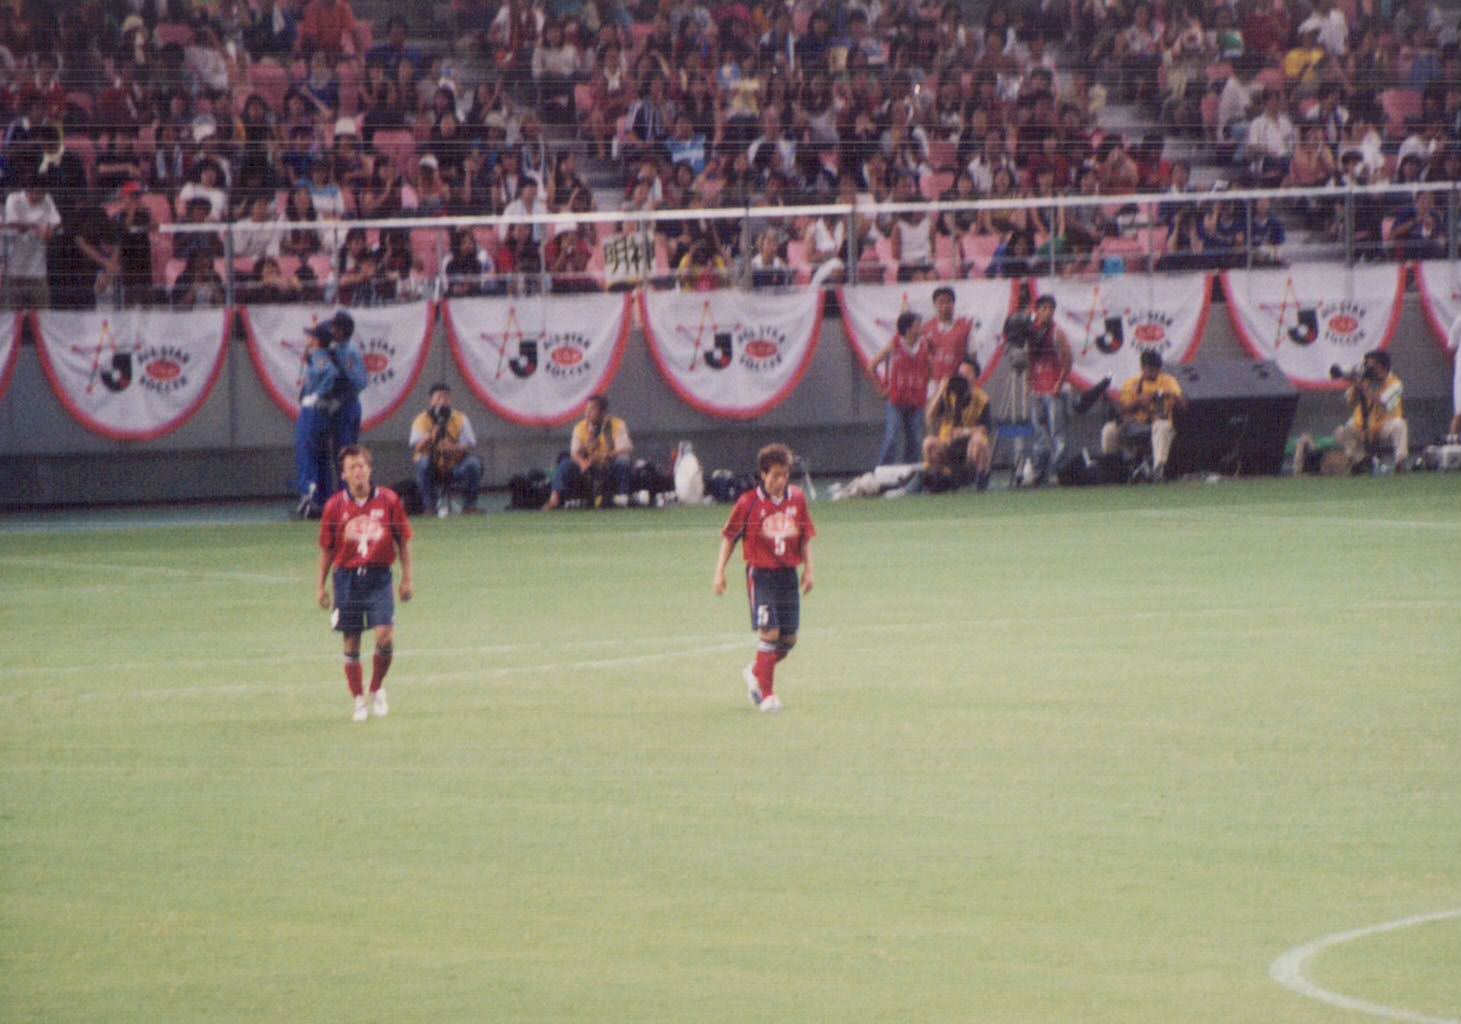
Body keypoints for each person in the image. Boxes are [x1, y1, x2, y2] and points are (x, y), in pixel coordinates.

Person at [711, 443, 816, 713]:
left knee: (789, 640)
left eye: (785, 475)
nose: (780, 482)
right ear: (763, 474)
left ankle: (756, 671)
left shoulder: (797, 499)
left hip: (788, 575)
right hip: (762, 575)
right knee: (769, 633)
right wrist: (720, 571)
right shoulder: (748, 503)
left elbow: (805, 537)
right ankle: (768, 696)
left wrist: (809, 569)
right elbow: (729, 538)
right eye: (775, 476)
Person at [317, 445, 414, 723]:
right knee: (351, 642)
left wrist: (407, 578)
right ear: (344, 475)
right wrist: (320, 586)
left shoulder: (389, 501)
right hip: (347, 579)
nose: (358, 471)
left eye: (362, 466)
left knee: (385, 635)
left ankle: (376, 688)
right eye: (352, 467)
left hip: (379, 576)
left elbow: (403, 540)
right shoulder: (334, 506)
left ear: (370, 469)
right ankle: (358, 699)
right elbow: (327, 548)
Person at [1101, 349, 1188, 481]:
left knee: (1162, 426)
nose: (1153, 373)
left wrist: (1164, 394)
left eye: (1156, 370)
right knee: (1109, 429)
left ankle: (1158, 469)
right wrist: (1139, 401)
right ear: (1142, 368)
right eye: (1150, 369)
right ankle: (1110, 468)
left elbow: (1183, 404)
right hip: (1135, 425)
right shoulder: (1133, 383)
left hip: (1158, 424)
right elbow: (1123, 408)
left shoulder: (1168, 381)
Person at [545, 394, 635, 509]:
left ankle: (622, 499)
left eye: (592, 410)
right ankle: (554, 500)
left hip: (608, 468)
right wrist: (582, 462)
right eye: (586, 410)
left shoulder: (617, 425)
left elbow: (625, 450)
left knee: (623, 462)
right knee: (566, 463)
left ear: (602, 412)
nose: (587, 413)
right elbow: (574, 453)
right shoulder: (580, 427)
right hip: (589, 470)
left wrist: (606, 456)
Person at [409, 384, 485, 515]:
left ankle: (469, 506)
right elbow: (417, 447)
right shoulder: (422, 419)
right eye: (438, 398)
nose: (443, 401)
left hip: (454, 467)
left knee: (474, 463)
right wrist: (431, 435)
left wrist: (452, 448)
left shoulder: (460, 418)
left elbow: (470, 444)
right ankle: (430, 506)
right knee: (422, 463)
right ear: (431, 401)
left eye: (446, 398)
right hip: (433, 469)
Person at [868, 311, 930, 466]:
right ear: (908, 329)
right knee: (892, 437)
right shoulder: (895, 345)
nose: (921, 328)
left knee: (915, 440)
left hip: (916, 398)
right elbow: (871, 367)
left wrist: (923, 384)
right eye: (917, 325)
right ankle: (883, 471)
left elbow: (931, 369)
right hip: (896, 398)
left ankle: (911, 472)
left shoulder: (924, 346)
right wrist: (881, 391)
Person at [923, 358, 994, 491]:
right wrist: (941, 389)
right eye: (960, 374)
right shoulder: (948, 395)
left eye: (967, 374)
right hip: (948, 443)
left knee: (980, 442)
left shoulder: (982, 399)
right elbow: (930, 416)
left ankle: (981, 481)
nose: (963, 377)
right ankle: (936, 480)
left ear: (975, 378)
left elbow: (985, 429)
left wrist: (964, 431)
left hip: (968, 448)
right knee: (929, 443)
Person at [1025, 295, 1075, 485]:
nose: (1048, 312)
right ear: (1037, 311)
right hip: (1037, 389)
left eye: (1051, 308)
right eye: (1044, 308)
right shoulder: (1031, 333)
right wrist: (1028, 385)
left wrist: (1058, 385)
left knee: (1057, 433)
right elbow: (1029, 360)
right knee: (1039, 433)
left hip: (1053, 389)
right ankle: (1039, 471)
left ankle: (1057, 471)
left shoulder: (1057, 332)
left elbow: (1068, 359)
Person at [1333, 349, 1408, 469]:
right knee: (1341, 431)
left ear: (1383, 367)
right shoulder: (1365, 380)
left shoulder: (1395, 383)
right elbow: (1349, 402)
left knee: (1400, 425)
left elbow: (1382, 401)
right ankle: (1361, 461)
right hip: (1362, 424)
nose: (1369, 369)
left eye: (1372, 366)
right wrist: (1355, 384)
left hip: (1383, 424)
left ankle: (1400, 462)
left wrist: (1364, 389)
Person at [295, 322, 340, 517]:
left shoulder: (321, 358)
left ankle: (310, 499)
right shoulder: (317, 357)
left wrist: (317, 395)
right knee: (321, 457)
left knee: (307, 454)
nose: (308, 340)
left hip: (313, 412)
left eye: (311, 337)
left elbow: (331, 374)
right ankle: (324, 500)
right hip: (318, 412)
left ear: (318, 340)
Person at [326, 311, 367, 471]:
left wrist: (341, 395)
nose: (332, 331)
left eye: (335, 328)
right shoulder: (340, 348)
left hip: (346, 407)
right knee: (348, 454)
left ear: (342, 330)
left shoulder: (348, 351)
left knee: (344, 455)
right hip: (348, 406)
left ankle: (347, 486)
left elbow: (359, 382)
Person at [922, 286, 972, 385]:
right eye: (941, 302)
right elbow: (924, 357)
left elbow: (972, 356)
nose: (945, 306)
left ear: (953, 304)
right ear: (935, 305)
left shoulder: (965, 327)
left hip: (957, 382)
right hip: (934, 382)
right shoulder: (927, 328)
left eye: (948, 302)